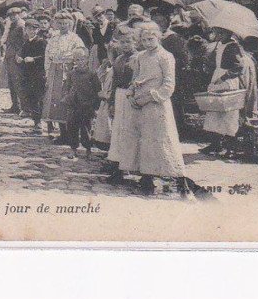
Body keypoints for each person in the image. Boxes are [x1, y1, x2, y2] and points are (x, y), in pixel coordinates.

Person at [124, 22, 189, 196]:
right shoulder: (140, 56)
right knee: (144, 139)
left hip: (157, 104)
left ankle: (178, 176)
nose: (147, 43)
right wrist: (131, 94)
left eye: (151, 39)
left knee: (163, 138)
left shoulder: (165, 56)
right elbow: (136, 78)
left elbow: (169, 84)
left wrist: (152, 97)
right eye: (144, 40)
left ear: (158, 38)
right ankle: (147, 175)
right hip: (140, 105)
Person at [200, 27, 247, 156]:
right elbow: (217, 62)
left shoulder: (232, 47)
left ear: (229, 33)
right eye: (217, 32)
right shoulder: (219, 45)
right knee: (214, 110)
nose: (219, 35)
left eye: (222, 33)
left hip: (227, 81)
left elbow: (239, 67)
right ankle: (216, 144)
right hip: (217, 78)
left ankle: (231, 146)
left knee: (228, 113)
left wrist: (224, 77)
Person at [42, 11, 85, 142]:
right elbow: (47, 56)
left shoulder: (75, 39)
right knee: (57, 101)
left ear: (70, 24)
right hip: (55, 72)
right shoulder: (53, 39)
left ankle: (72, 134)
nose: (62, 26)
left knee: (69, 100)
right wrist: (48, 72)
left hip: (69, 71)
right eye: (60, 23)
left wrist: (75, 69)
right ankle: (62, 133)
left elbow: (81, 54)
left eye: (65, 23)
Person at [106, 26, 139, 178]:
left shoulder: (138, 58)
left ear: (135, 42)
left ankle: (130, 164)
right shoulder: (118, 59)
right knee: (118, 130)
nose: (125, 45)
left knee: (130, 130)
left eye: (128, 42)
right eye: (122, 42)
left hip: (131, 96)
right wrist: (111, 103)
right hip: (119, 95)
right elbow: (114, 82)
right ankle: (117, 162)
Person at [151, 9, 188, 134]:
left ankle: (177, 130)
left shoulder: (173, 38)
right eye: (155, 22)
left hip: (171, 75)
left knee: (173, 103)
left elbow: (182, 59)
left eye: (161, 22)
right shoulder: (152, 38)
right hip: (156, 75)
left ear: (167, 22)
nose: (158, 25)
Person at [62, 46, 102, 156]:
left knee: (86, 128)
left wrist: (94, 104)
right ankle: (73, 148)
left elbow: (97, 89)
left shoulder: (92, 74)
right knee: (72, 126)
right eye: (77, 59)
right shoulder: (71, 74)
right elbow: (67, 87)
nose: (80, 62)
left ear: (87, 59)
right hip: (74, 104)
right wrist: (68, 97)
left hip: (87, 105)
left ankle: (88, 148)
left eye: (83, 59)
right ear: (74, 60)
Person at [16, 19, 47, 132]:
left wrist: (33, 59)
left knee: (38, 98)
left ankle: (39, 122)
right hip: (27, 74)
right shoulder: (26, 42)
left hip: (38, 74)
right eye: (29, 29)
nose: (31, 31)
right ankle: (36, 121)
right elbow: (22, 55)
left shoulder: (41, 42)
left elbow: (45, 57)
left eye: (34, 29)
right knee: (30, 98)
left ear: (38, 30)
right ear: (25, 30)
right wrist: (19, 59)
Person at [0, 7, 28, 115]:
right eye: (10, 15)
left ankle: (22, 108)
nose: (12, 17)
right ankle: (15, 106)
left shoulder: (21, 25)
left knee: (18, 83)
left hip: (16, 58)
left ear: (19, 14)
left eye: (14, 15)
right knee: (11, 83)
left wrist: (19, 55)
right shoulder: (12, 25)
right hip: (10, 56)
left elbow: (24, 43)